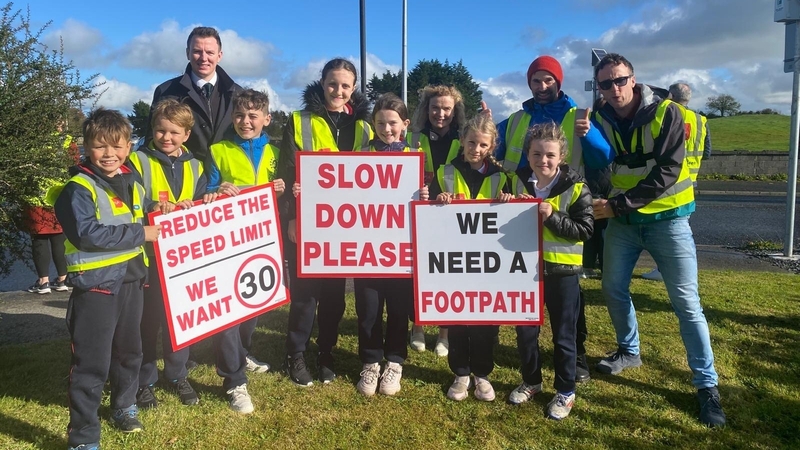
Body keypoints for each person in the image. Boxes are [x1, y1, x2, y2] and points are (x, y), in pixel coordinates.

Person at [585, 53, 726, 427]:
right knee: (613, 289)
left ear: (633, 79)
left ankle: (706, 385)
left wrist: (617, 205)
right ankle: (629, 352)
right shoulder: (600, 116)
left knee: (685, 303)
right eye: (605, 83)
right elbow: (600, 162)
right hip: (624, 223)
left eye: (619, 80)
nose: (614, 89)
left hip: (669, 220)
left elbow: (668, 170)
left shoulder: (668, 113)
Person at [48, 108, 166, 449]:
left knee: (130, 352)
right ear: (86, 147)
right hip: (96, 287)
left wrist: (168, 208)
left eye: (116, 146)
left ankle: (124, 407)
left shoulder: (131, 178)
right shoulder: (77, 189)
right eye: (100, 147)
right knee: (91, 363)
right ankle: (83, 435)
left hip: (132, 283)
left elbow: (142, 211)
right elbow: (87, 234)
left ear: (128, 147)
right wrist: (141, 233)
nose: (109, 154)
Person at [495, 55, 610, 382]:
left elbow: (603, 156)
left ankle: (578, 357)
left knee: (571, 301)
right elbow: (493, 148)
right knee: (526, 297)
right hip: (524, 212)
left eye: (548, 80)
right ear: (529, 83)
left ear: (559, 82)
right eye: (536, 81)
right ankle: (530, 370)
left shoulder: (577, 116)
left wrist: (588, 134)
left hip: (564, 210)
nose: (542, 86)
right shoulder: (518, 118)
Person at [277, 58, 372, 386]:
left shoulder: (363, 126)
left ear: (354, 88)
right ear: (321, 82)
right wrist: (291, 217)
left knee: (333, 293)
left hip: (343, 225)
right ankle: (296, 352)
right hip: (305, 220)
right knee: (305, 292)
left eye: (346, 86)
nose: (339, 91)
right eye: (333, 84)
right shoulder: (299, 120)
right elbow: (286, 172)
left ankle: (326, 352)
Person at [508, 122, 593, 420]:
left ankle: (565, 389)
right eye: (536, 154)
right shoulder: (516, 182)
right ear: (528, 156)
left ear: (561, 157)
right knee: (525, 332)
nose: (542, 161)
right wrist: (505, 203)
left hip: (563, 273)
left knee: (564, 335)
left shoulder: (577, 187)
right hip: (524, 271)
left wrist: (553, 216)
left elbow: (585, 229)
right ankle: (531, 380)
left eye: (549, 155)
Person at [127, 99, 206, 410]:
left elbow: (202, 204)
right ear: (153, 130)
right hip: (148, 257)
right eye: (160, 130)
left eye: (174, 132)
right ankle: (145, 380)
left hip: (184, 260)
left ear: (186, 134)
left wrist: (206, 199)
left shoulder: (197, 165)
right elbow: (128, 200)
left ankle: (177, 372)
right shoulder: (137, 160)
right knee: (147, 323)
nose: (166, 137)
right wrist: (151, 209)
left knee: (180, 321)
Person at [428, 114, 513, 402]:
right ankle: (460, 373)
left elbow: (511, 219)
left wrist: (507, 203)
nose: (476, 149)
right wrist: (438, 203)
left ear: (491, 147)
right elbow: (430, 214)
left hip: (489, 263)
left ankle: (482, 373)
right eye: (471, 142)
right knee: (458, 319)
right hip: (454, 261)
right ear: (462, 141)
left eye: (483, 144)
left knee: (485, 323)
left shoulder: (503, 178)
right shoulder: (444, 173)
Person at [354, 93, 427, 397]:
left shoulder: (416, 153)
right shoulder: (360, 153)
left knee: (398, 308)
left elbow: (429, 191)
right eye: (381, 123)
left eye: (393, 123)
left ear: (405, 124)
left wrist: (425, 195)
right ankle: (371, 362)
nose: (387, 129)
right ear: (373, 123)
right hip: (366, 245)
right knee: (368, 308)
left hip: (402, 247)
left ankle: (395, 361)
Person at [207, 88, 283, 375]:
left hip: (264, 236)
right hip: (229, 237)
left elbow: (286, 192)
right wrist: (217, 189)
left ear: (267, 118)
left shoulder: (276, 152)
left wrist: (283, 188)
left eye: (253, 115)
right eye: (239, 115)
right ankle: (230, 355)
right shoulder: (218, 151)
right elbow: (207, 189)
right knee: (230, 297)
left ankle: (243, 349)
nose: (245, 121)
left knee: (255, 298)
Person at [407, 85, 470, 357]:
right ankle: (417, 327)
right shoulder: (413, 137)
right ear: (426, 109)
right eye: (435, 108)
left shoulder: (464, 137)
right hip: (420, 209)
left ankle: (444, 333)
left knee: (448, 272)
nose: (440, 113)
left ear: (456, 111)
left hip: (453, 211)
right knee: (419, 271)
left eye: (446, 108)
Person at [642, 82, 711, 282]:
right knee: (681, 227)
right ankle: (673, 270)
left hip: (668, 177)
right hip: (691, 178)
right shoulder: (701, 120)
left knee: (666, 228)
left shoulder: (665, 114)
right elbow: (706, 152)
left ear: (670, 94)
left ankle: (665, 269)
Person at [145, 26, 241, 169]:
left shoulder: (238, 94)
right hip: (186, 179)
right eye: (197, 51)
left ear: (219, 56)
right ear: (187, 53)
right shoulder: (166, 91)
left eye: (209, 52)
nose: (203, 58)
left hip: (228, 181)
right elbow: (152, 140)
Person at [24, 125, 78, 294]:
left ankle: (43, 281)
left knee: (39, 239)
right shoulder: (67, 142)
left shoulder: (30, 141)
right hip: (59, 196)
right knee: (59, 238)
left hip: (35, 197)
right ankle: (62, 279)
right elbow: (75, 165)